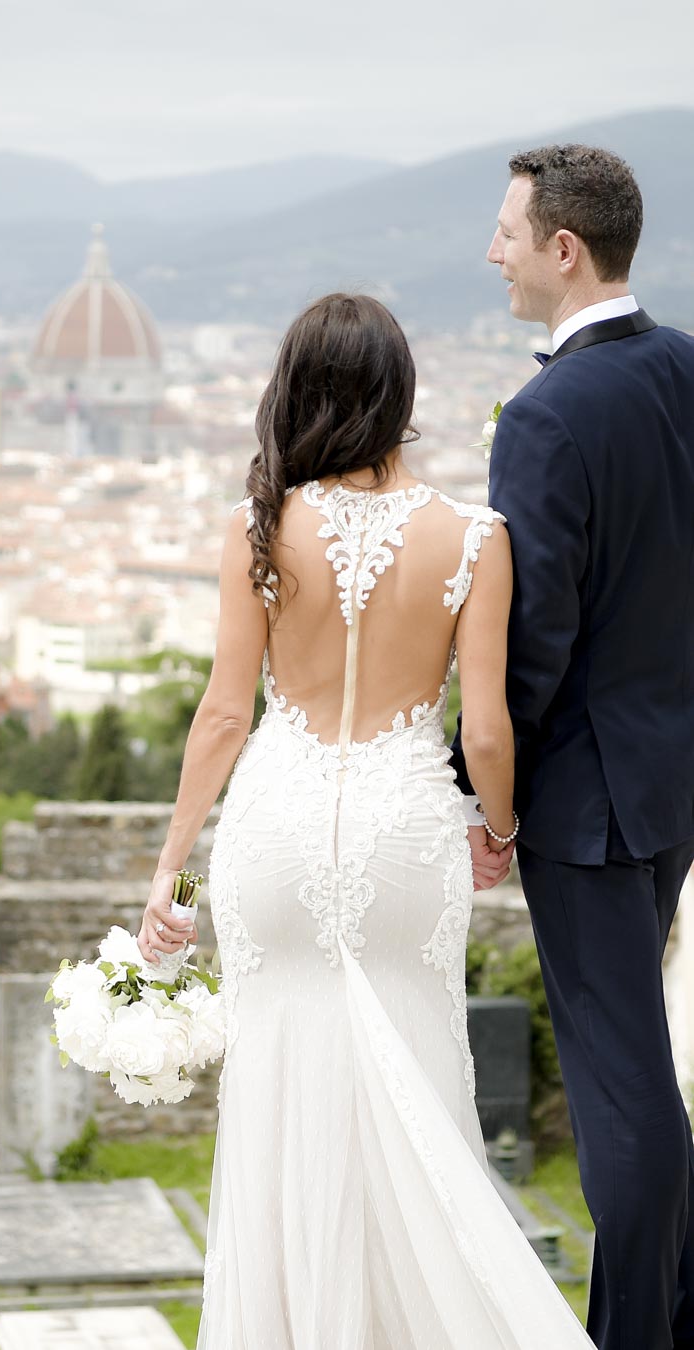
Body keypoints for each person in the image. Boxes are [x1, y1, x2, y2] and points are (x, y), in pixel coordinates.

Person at [137, 292, 593, 1347]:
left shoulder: (256, 527)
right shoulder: (476, 537)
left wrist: (171, 873)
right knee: (416, 1088)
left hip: (274, 831)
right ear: (401, 395)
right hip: (405, 834)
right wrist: (500, 829)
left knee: (277, 1097)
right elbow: (487, 732)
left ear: (296, 391)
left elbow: (223, 715)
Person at [452, 143, 694, 1350]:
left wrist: (482, 793)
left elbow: (533, 641)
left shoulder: (548, 415)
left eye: (508, 233)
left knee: (621, 1096)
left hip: (587, 804)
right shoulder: (687, 367)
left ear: (563, 248)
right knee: (639, 1077)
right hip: (671, 780)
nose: (492, 253)